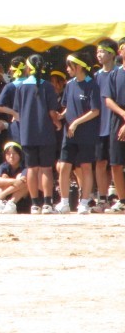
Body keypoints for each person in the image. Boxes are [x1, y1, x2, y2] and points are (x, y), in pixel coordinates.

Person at [12, 54, 62, 214]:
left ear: (28, 68)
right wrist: (58, 123)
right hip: (45, 132)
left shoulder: (21, 87)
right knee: (46, 169)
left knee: (31, 169)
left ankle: (34, 204)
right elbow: (52, 112)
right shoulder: (48, 86)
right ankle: (47, 203)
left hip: (27, 133)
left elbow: (17, 111)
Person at [53, 52, 100, 214]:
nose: (67, 69)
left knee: (86, 167)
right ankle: (64, 202)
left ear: (79, 66)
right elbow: (68, 107)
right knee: (64, 167)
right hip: (69, 134)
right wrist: (61, 116)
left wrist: (75, 123)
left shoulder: (92, 85)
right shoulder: (70, 84)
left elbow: (95, 111)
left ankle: (84, 202)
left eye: (69, 66)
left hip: (86, 134)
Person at [92, 39, 117, 212]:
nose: (99, 55)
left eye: (102, 51)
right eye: (97, 52)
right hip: (100, 127)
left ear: (112, 54)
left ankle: (119, 197)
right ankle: (102, 199)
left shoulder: (119, 73)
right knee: (100, 162)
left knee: (117, 163)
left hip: (117, 124)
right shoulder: (96, 76)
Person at [105, 38, 125, 213]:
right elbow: (108, 99)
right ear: (120, 51)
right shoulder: (114, 74)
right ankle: (122, 200)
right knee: (116, 163)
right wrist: (123, 114)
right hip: (118, 118)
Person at [0, 142, 28, 214]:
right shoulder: (4, 165)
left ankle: (11, 204)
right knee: (3, 177)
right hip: (7, 194)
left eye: (14, 153)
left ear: (20, 154)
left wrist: (2, 195)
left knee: (21, 177)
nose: (11, 156)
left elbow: (22, 182)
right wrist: (13, 181)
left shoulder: (25, 165)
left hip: (20, 195)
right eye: (8, 154)